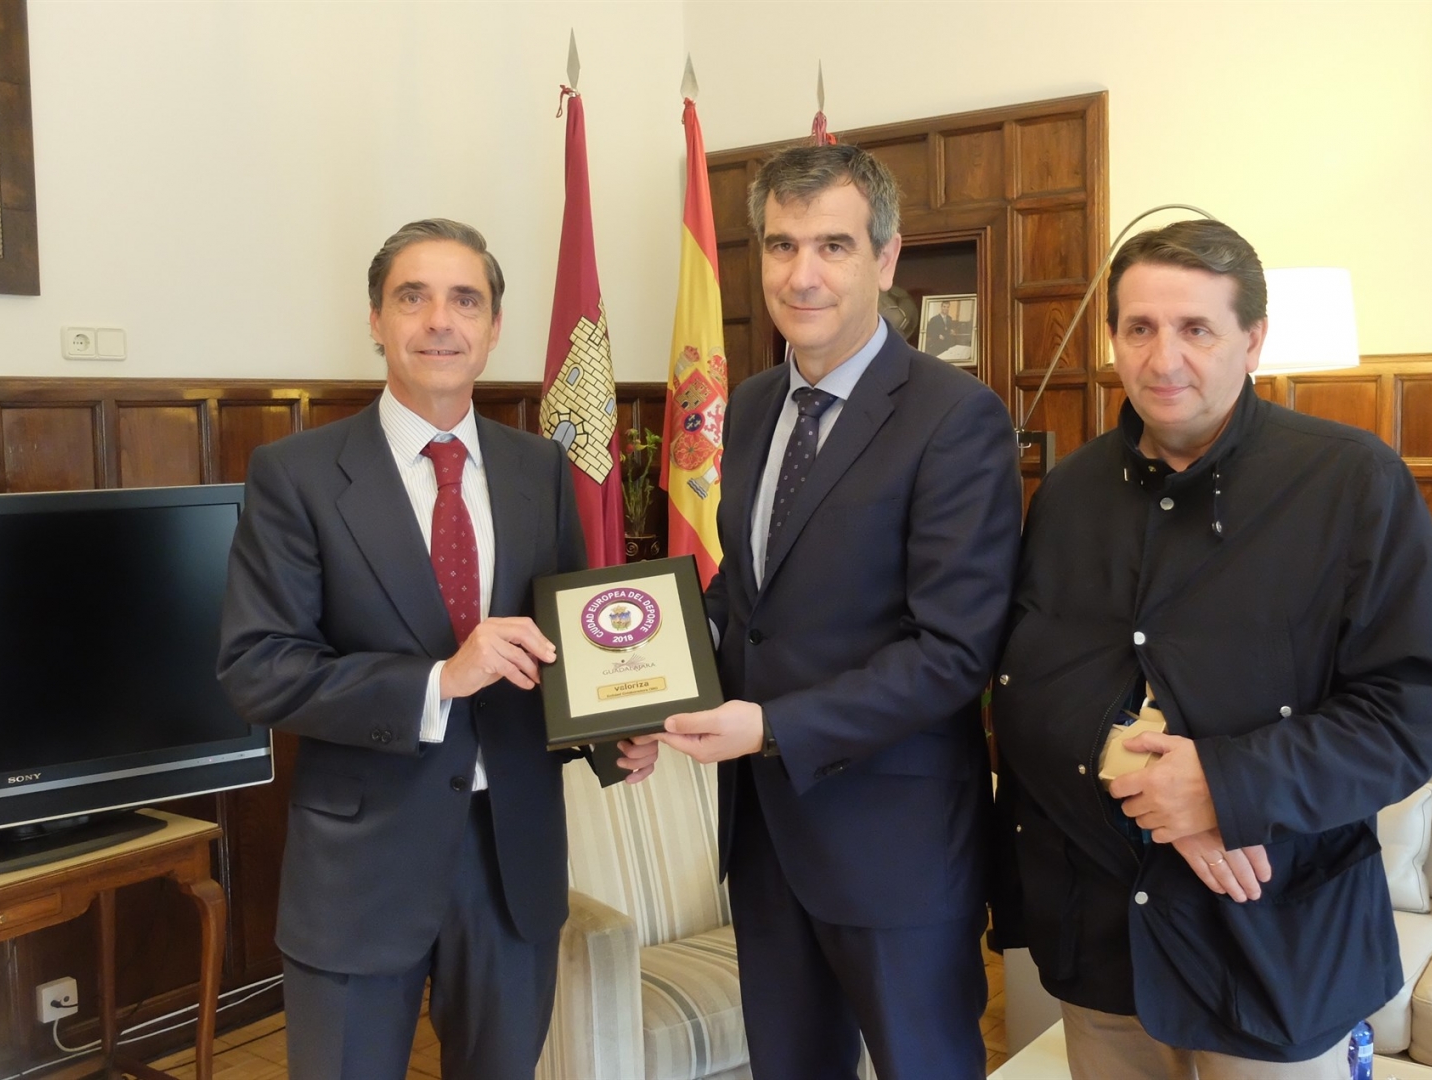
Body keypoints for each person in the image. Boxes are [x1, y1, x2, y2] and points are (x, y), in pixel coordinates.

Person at [989, 219, 1432, 1079]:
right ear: (1112, 341)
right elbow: (1026, 688)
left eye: (1195, 329)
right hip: (1102, 941)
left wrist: (1225, 788)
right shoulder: (1066, 494)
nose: (1162, 358)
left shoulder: (1350, 481)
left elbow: (1412, 707)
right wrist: (1155, 795)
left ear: (1252, 340)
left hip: (1272, 944)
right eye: (1139, 328)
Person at [217, 219, 657, 1080]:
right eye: (411, 297)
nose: (439, 322)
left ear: (494, 327)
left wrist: (614, 733)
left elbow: (563, 648)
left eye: (465, 300)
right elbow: (258, 668)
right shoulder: (297, 474)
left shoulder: (538, 471)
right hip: (362, 869)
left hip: (512, 860)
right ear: (376, 321)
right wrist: (438, 681)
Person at [646, 144, 1022, 1079]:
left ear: (885, 260)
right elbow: (746, 597)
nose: (801, 274)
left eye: (833, 246)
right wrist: (652, 690)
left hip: (895, 847)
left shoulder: (955, 416)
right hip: (767, 838)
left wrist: (773, 726)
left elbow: (952, 651)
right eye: (781, 246)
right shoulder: (750, 406)